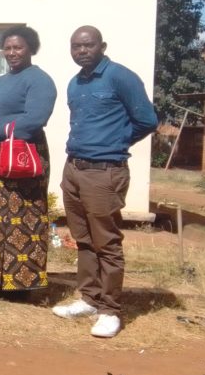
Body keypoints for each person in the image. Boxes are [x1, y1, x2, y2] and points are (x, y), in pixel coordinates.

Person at [53, 26, 157, 339]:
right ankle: (89, 298)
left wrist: (114, 143)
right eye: (76, 46)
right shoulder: (75, 83)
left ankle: (110, 310)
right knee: (83, 239)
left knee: (106, 242)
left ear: (102, 46)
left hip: (104, 171)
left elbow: (147, 120)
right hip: (74, 168)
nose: (81, 51)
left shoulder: (120, 77)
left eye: (88, 45)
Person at [0, 25, 57, 293]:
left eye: (17, 47)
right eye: (7, 48)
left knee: (22, 218)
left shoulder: (39, 79)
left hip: (21, 155)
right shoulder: (1, 81)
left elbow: (35, 119)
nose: (12, 53)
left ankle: (21, 284)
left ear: (31, 48)